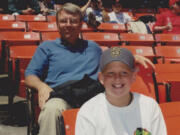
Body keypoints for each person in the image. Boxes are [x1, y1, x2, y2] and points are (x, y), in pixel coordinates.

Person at [25, 3, 154, 135]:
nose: (68, 24)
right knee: (52, 109)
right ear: (57, 24)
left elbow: (112, 58)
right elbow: (30, 75)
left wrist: (131, 57)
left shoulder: (93, 47)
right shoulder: (47, 47)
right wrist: (41, 86)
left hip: (94, 96)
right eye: (63, 21)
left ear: (81, 25)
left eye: (73, 21)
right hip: (63, 96)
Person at [75, 47, 167, 135]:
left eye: (124, 73)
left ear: (133, 76)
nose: (117, 78)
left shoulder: (150, 106)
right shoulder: (88, 112)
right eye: (110, 73)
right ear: (101, 78)